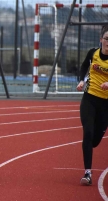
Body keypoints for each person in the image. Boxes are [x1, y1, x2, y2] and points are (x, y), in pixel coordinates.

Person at [76, 25, 108, 185]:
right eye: (107, 39)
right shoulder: (92, 53)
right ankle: (87, 173)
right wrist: (81, 80)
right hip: (89, 99)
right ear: (101, 39)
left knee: (95, 141)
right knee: (87, 133)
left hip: (106, 104)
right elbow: (83, 67)